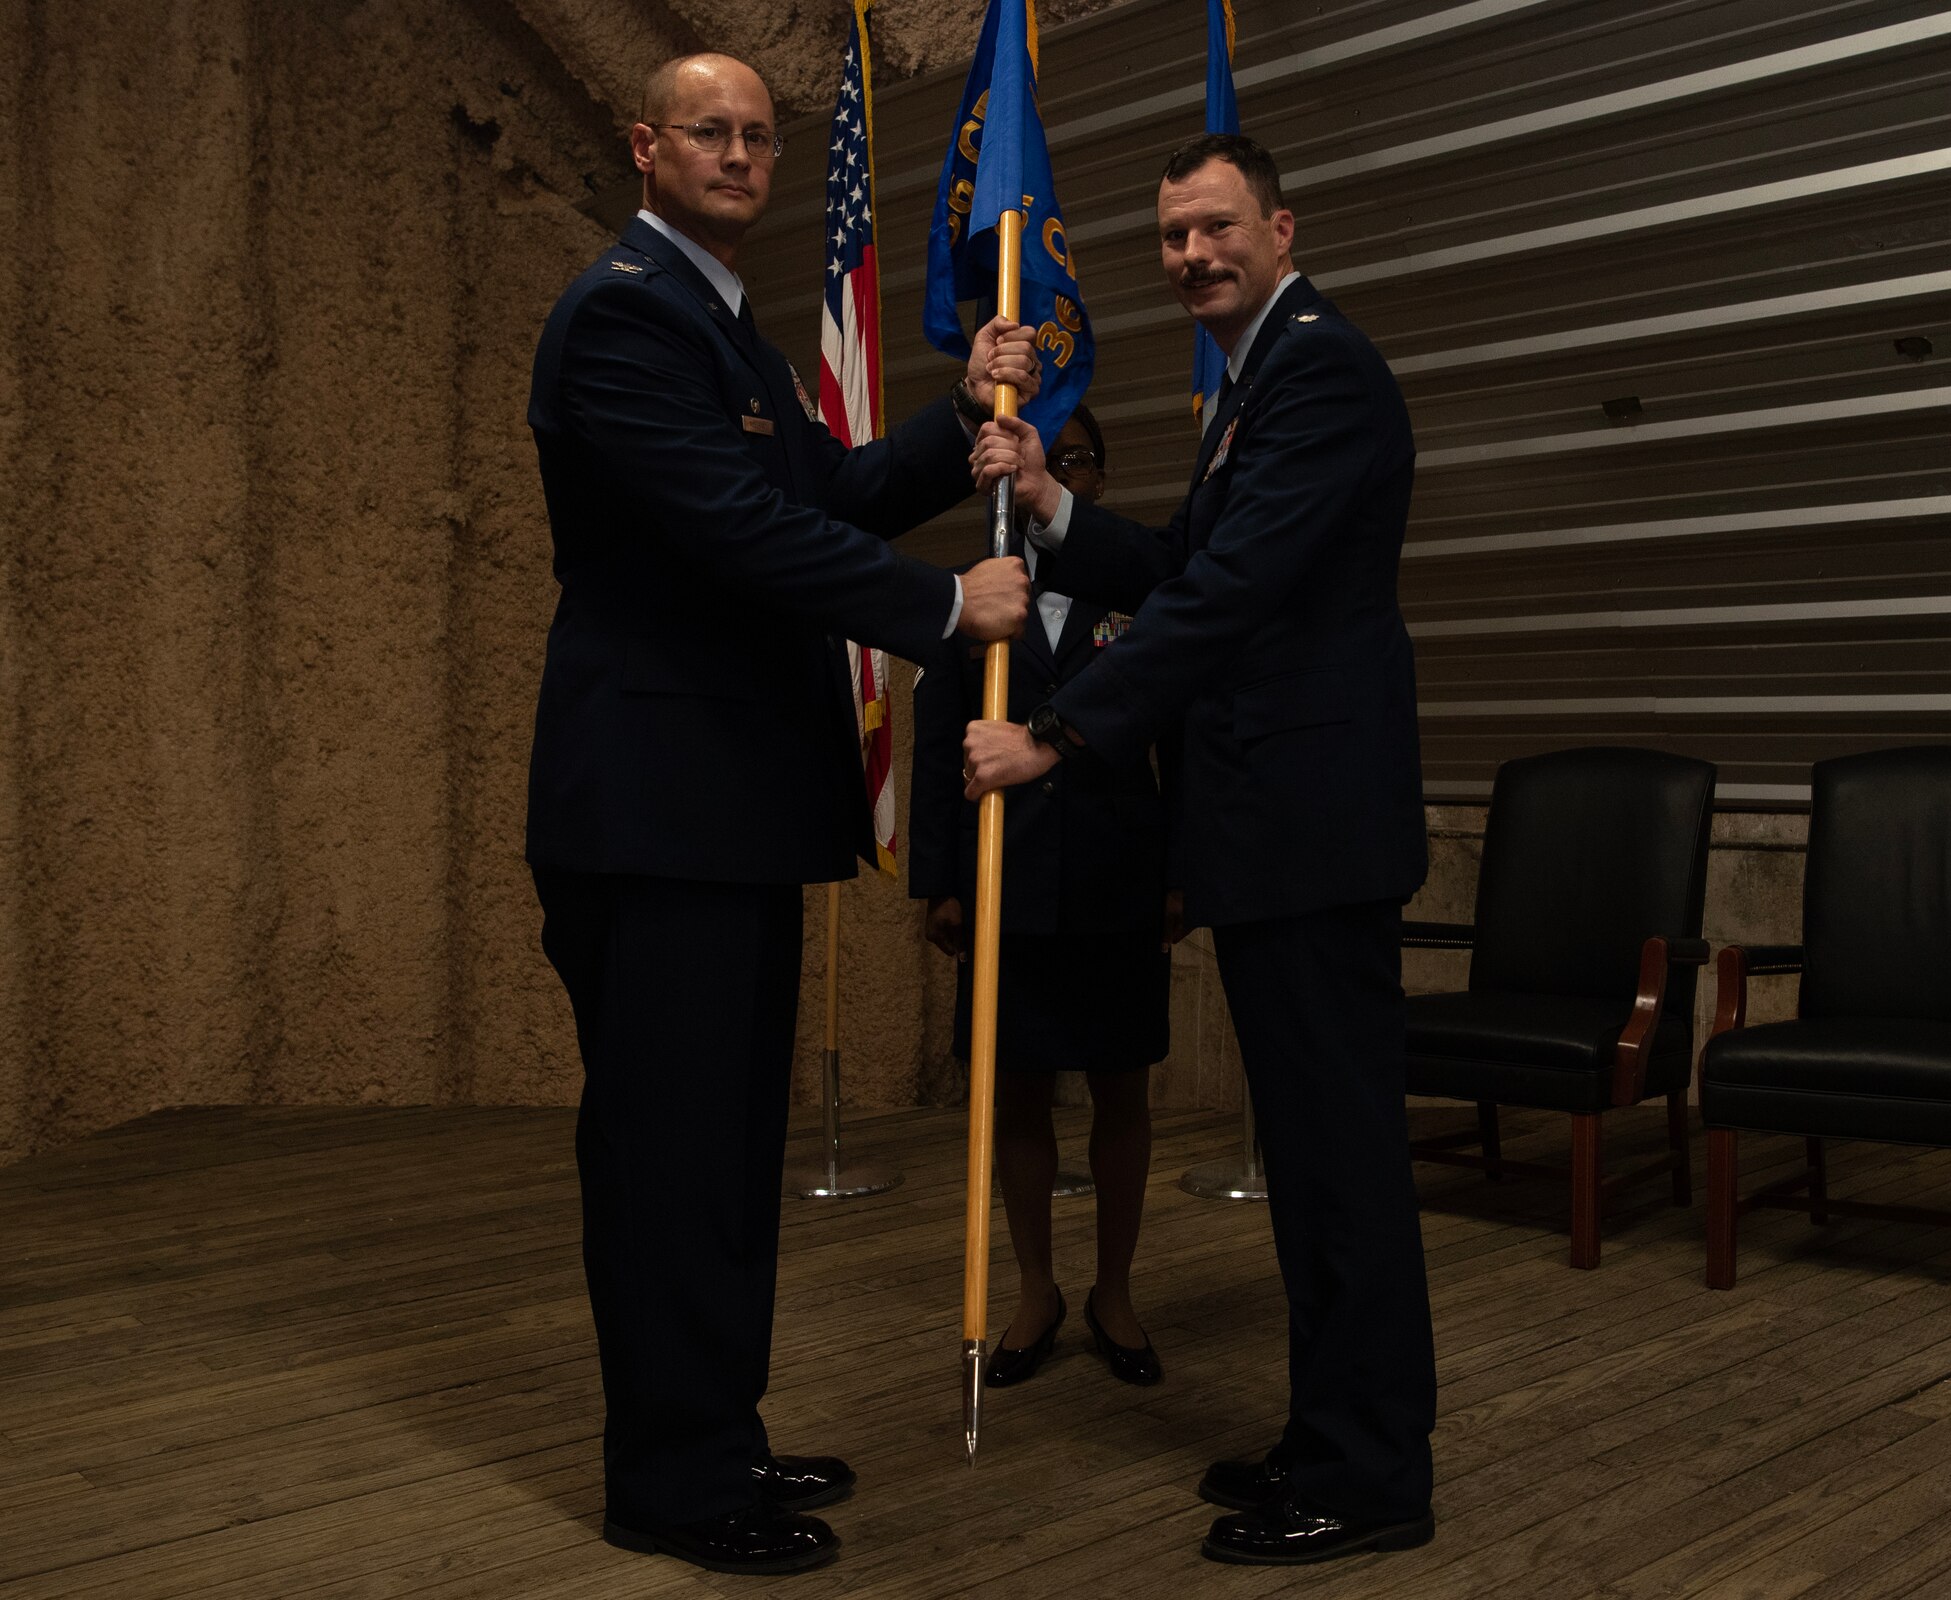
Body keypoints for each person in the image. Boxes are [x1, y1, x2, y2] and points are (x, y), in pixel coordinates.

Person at [525, 52, 1037, 1578]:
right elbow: (741, 532)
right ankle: (671, 1485)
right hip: (655, 814)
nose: (742, 153)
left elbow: (829, 490)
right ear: (647, 146)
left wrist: (964, 416)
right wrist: (949, 605)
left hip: (724, 815)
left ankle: (718, 1438)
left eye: (759, 134)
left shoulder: (717, 319)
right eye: (712, 131)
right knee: (670, 1158)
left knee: (724, 1152)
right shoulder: (622, 312)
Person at [964, 132, 1437, 1568]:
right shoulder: (1260, 379)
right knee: (1310, 1156)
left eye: (1217, 228)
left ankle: (1369, 1477)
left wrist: (1059, 737)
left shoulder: (1320, 369)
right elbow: (1181, 568)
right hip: (1278, 835)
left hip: (1313, 832)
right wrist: (1051, 506)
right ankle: (1333, 1434)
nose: (1192, 257)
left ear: (1283, 228)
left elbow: (1228, 597)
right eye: (1172, 237)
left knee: (1340, 1159)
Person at [908, 405, 1176, 1390]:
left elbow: (1176, 733)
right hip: (1002, 875)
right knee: (1013, 1087)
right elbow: (939, 732)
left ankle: (1113, 1288)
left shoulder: (1142, 589)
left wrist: (1181, 870)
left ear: (1094, 477)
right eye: (1030, 457)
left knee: (1120, 1085)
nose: (1048, 473)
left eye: (1068, 461)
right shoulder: (977, 586)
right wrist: (935, 880)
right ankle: (1034, 1288)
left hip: (1117, 872)